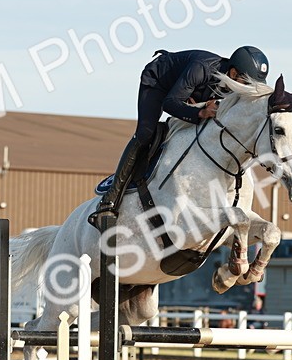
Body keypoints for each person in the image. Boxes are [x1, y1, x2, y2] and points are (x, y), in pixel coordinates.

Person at [88, 46, 270, 226]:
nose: (247, 89)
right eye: (246, 84)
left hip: (189, 90)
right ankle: (111, 197)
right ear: (232, 73)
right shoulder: (202, 68)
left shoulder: (232, 83)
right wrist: (199, 113)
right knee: (146, 133)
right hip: (159, 82)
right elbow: (170, 103)